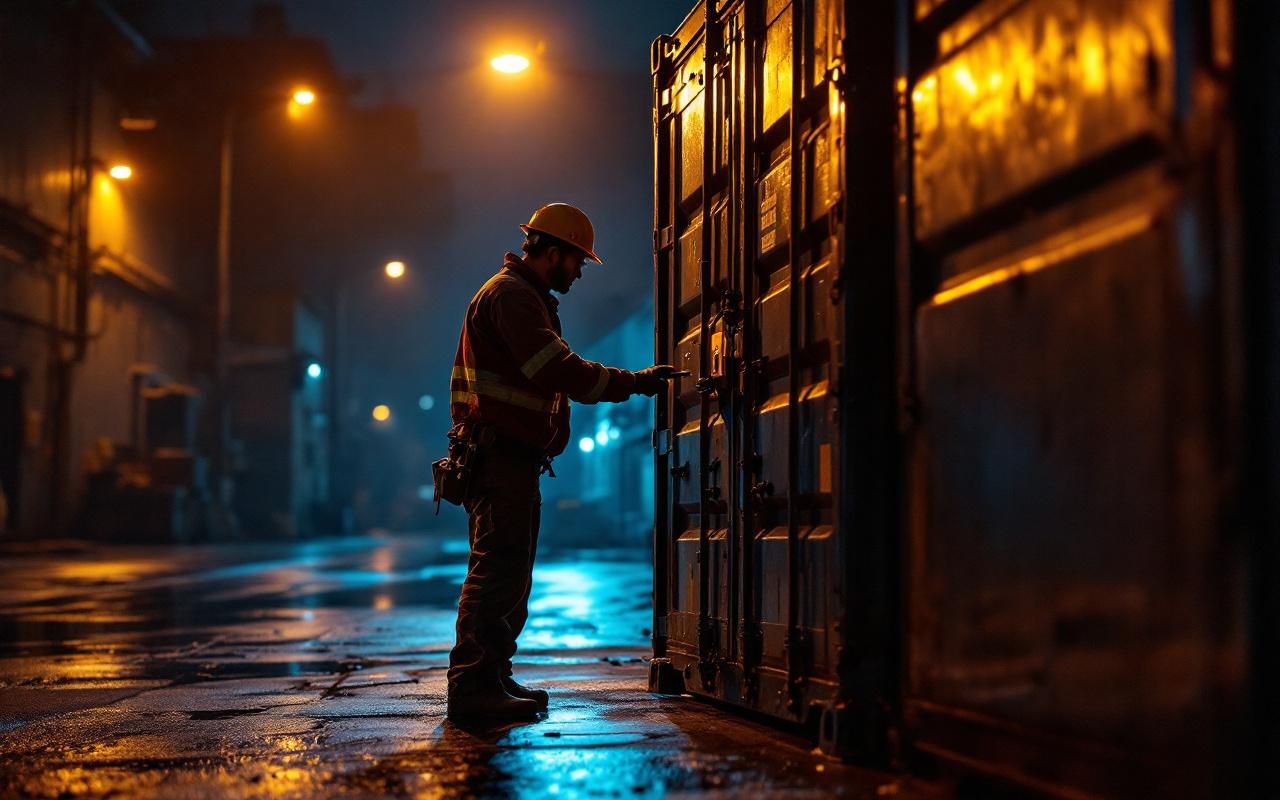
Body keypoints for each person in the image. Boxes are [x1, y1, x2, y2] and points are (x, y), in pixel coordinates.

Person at [445, 202, 677, 719]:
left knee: (511, 575)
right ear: (551, 252)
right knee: (497, 573)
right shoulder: (511, 297)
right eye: (576, 261)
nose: (579, 272)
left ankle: (492, 676)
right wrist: (636, 382)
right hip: (500, 458)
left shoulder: (523, 296)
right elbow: (558, 369)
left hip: (509, 458)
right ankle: (472, 688)